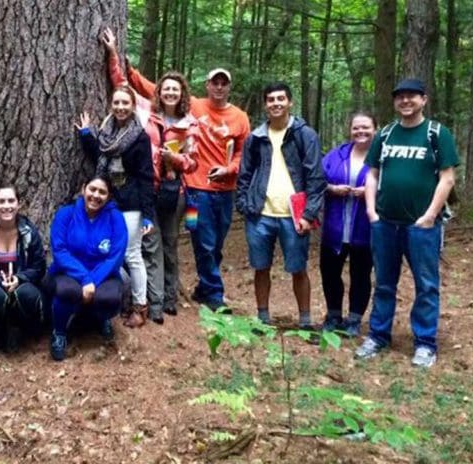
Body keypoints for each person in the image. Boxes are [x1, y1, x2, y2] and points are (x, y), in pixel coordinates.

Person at [115, 47, 251, 311]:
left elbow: (242, 154)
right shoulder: (194, 106)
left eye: (224, 83)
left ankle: (202, 287)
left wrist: (230, 169)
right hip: (193, 192)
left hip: (224, 191)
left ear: (229, 87)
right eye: (215, 82)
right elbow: (151, 88)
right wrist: (128, 69)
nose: (219, 87)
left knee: (215, 242)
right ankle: (213, 294)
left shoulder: (240, 118)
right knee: (202, 239)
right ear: (207, 85)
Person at [355, 78, 459, 368]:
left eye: (412, 96)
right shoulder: (385, 135)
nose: (405, 101)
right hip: (385, 223)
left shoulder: (437, 134)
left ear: (424, 100)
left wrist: (428, 216)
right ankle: (378, 335)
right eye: (400, 97)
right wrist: (372, 212)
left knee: (426, 284)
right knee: (385, 283)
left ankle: (425, 343)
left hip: (422, 227)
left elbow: (447, 178)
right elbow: (372, 174)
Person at [101, 29, 198, 324]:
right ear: (158, 92)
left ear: (182, 94)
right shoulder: (146, 112)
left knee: (170, 244)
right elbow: (121, 85)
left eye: (175, 89)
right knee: (151, 247)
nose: (169, 93)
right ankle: (154, 306)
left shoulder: (189, 124)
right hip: (147, 189)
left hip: (173, 191)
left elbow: (193, 163)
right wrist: (113, 53)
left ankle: (169, 299)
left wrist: (175, 158)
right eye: (165, 89)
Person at [236, 82, 325, 331]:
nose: (276, 103)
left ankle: (305, 321)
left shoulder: (304, 134)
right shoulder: (256, 137)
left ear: (290, 102)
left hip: (294, 216)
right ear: (265, 104)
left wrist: (309, 214)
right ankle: (263, 318)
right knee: (260, 267)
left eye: (280, 99)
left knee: (298, 268)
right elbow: (245, 174)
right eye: (271, 99)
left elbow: (316, 178)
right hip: (260, 215)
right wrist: (244, 204)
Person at [75, 85, 155, 328]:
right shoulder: (106, 132)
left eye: (125, 103)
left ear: (132, 106)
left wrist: (147, 215)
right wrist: (87, 134)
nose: (120, 107)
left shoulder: (140, 137)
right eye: (117, 103)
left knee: (132, 254)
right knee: (109, 253)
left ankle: (140, 308)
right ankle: (117, 302)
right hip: (107, 202)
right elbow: (100, 154)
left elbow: (145, 177)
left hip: (131, 204)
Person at [47, 176, 128, 361]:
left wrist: (94, 280)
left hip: (104, 274)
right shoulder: (65, 214)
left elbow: (116, 256)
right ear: (84, 189)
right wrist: (85, 279)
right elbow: (59, 250)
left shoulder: (116, 218)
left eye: (102, 192)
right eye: (92, 189)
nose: (96, 195)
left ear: (108, 197)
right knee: (67, 291)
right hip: (68, 272)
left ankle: (100, 318)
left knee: (109, 297)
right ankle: (59, 332)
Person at [0, 185, 47, 353]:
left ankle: (16, 329)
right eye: (2, 201)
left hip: (21, 284)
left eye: (11, 200)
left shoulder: (28, 232)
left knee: (28, 295)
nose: (7, 206)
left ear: (18, 204)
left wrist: (19, 279)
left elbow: (39, 266)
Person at [320, 112, 376, 338]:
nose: (360, 132)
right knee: (330, 272)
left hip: (365, 228)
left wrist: (371, 192)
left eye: (366, 127)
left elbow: (391, 186)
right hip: (335, 227)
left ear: (375, 129)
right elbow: (317, 180)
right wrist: (332, 189)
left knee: (360, 274)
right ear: (350, 130)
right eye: (356, 128)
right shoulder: (337, 155)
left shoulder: (381, 156)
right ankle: (333, 314)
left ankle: (354, 319)